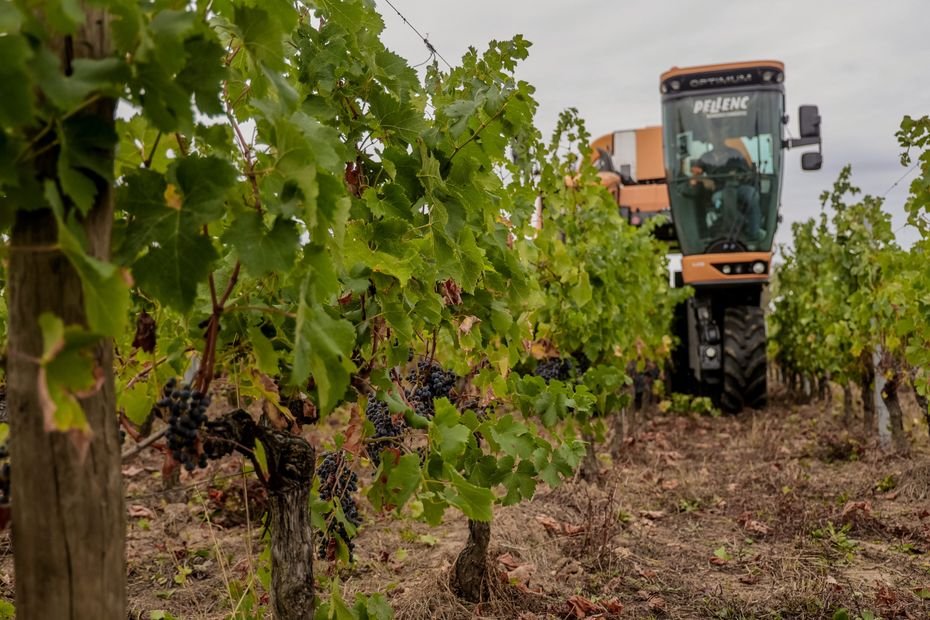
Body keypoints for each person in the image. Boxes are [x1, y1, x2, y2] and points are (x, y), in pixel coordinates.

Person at [689, 128, 762, 242]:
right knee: (722, 199)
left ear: (723, 139)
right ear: (710, 140)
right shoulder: (705, 158)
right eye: (714, 138)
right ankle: (724, 232)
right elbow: (694, 177)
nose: (717, 140)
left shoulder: (735, 153)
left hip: (739, 187)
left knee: (752, 195)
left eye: (719, 137)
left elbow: (747, 172)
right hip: (718, 191)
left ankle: (753, 233)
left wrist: (738, 174)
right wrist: (704, 180)